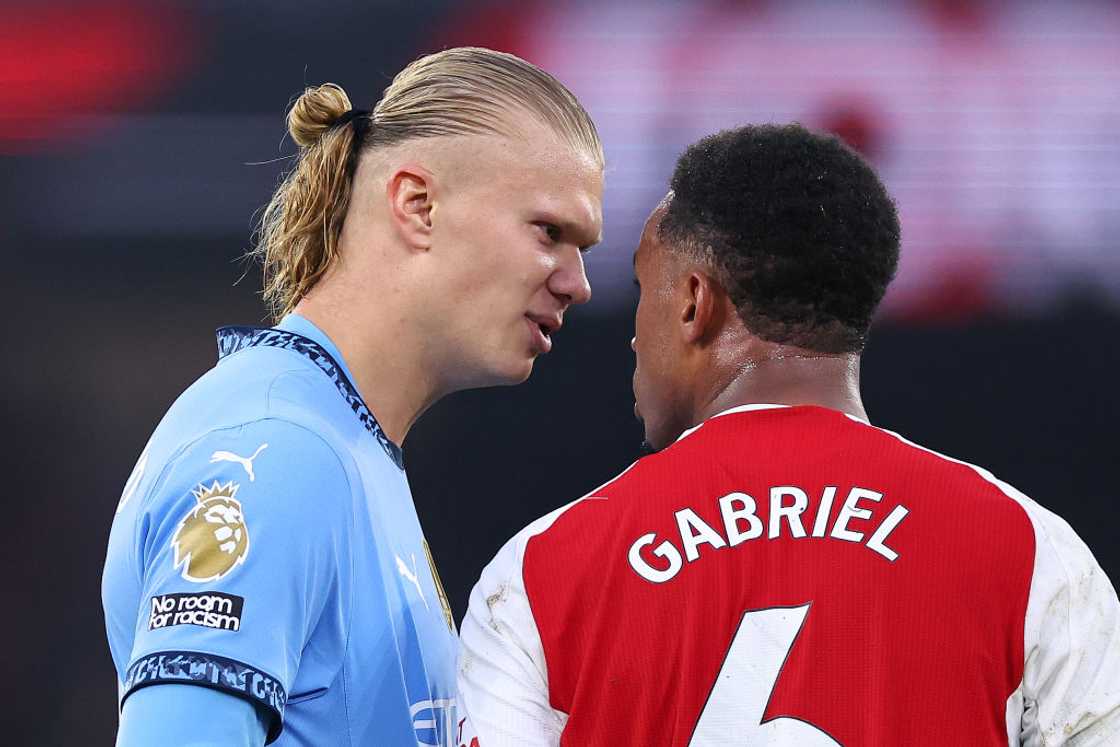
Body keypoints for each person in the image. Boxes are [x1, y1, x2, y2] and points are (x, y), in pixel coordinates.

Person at [455, 124, 1120, 746]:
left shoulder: (543, 571)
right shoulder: (1031, 554)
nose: (634, 335)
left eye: (643, 290)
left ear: (693, 301)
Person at [102, 46, 603, 747]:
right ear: (417, 205)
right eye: (551, 231)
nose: (577, 282)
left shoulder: (342, 444)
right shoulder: (278, 452)